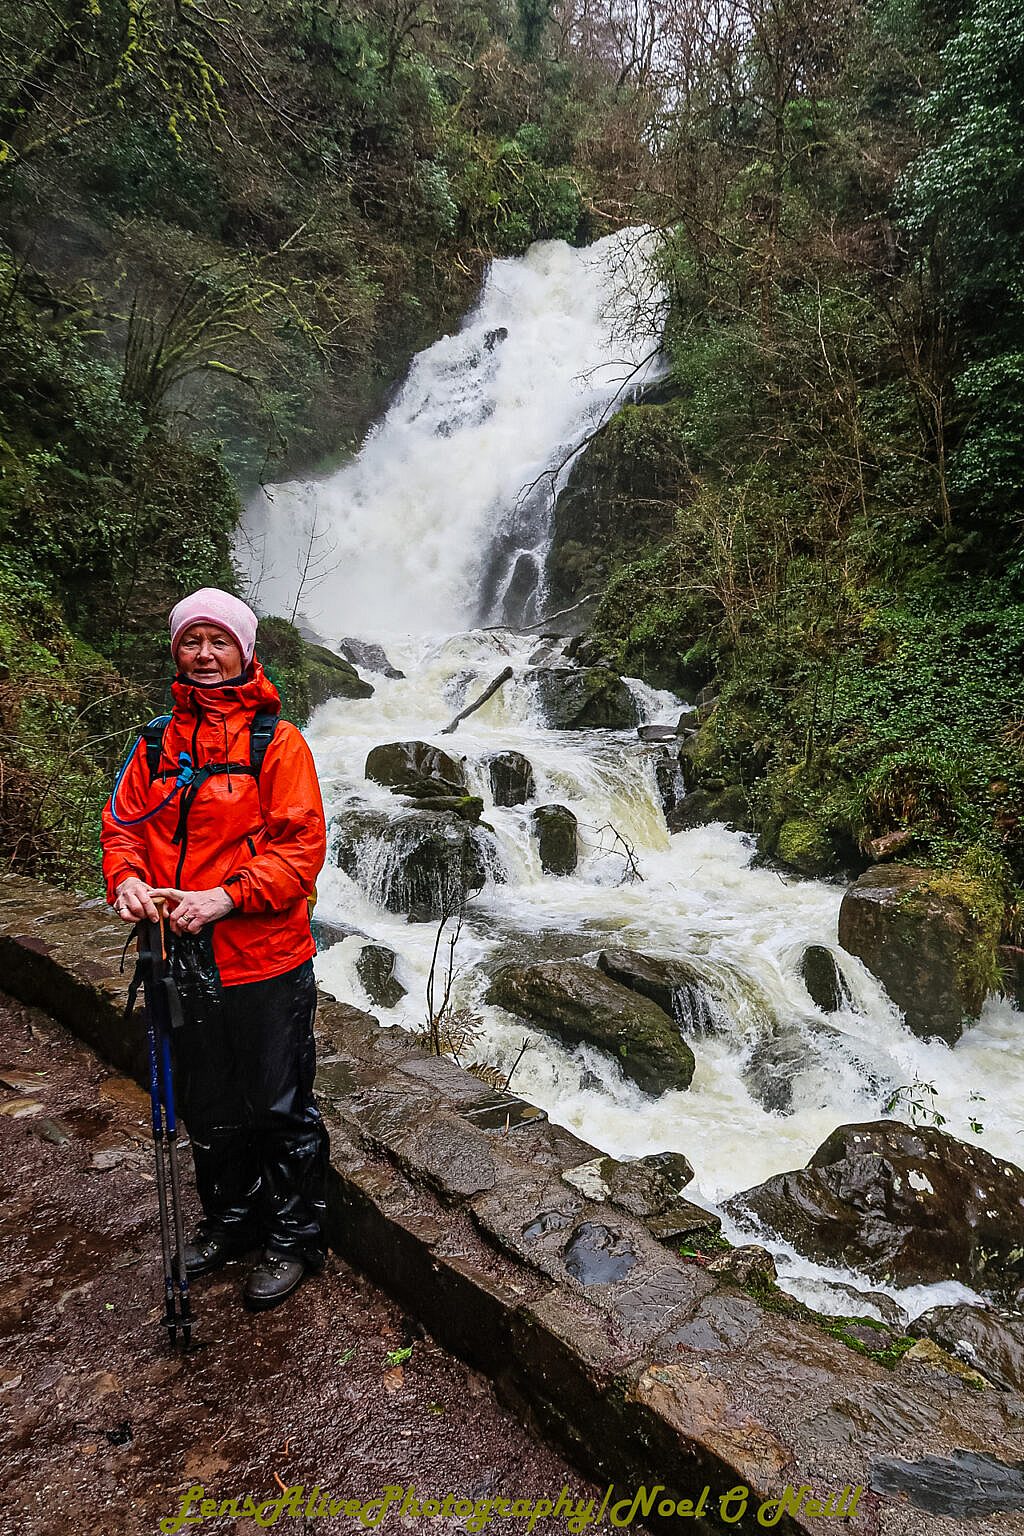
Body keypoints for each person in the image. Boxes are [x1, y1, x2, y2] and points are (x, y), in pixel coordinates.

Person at [101, 588, 329, 1310]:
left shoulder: (278, 744)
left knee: (280, 1104)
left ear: (245, 651)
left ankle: (292, 1237)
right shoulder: (153, 743)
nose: (204, 655)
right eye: (192, 642)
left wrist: (225, 895)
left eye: (219, 642)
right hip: (178, 959)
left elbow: (301, 851)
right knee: (208, 1103)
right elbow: (121, 830)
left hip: (265, 960)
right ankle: (231, 1222)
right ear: (177, 652)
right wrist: (129, 880)